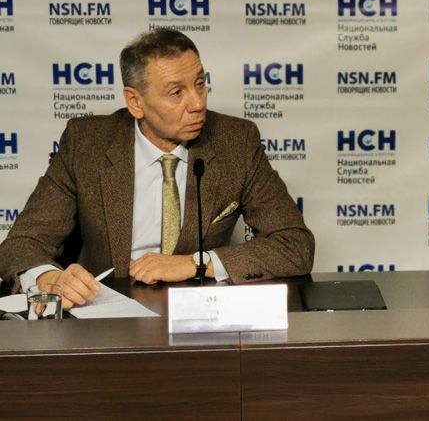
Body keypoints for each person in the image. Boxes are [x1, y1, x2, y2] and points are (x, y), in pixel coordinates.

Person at [0, 29, 314, 308]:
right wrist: (49, 278)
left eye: (200, 84)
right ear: (135, 102)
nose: (198, 103)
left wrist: (197, 263)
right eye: (177, 92)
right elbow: (22, 244)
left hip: (201, 317)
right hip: (105, 320)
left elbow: (295, 245)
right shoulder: (87, 144)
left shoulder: (235, 142)